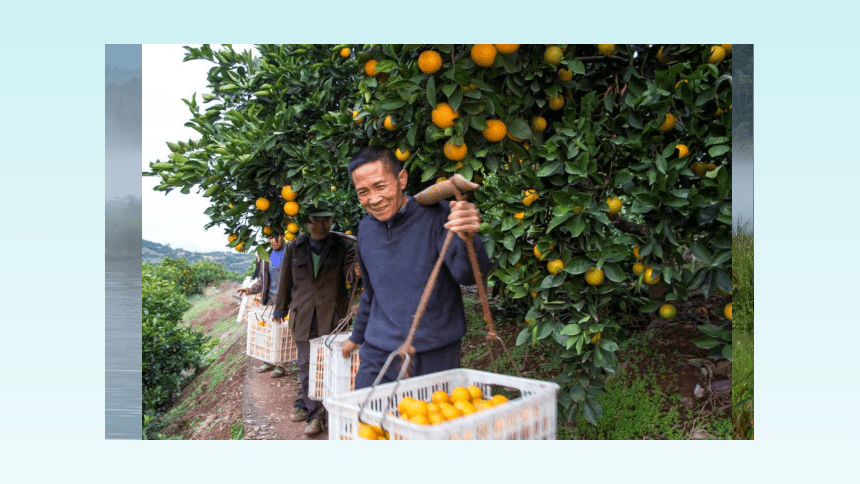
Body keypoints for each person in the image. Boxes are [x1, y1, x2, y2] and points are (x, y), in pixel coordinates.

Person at [340, 146, 491, 390]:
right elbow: (371, 291)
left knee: (427, 423)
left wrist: (468, 238)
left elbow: (470, 276)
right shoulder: (366, 229)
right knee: (365, 422)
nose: (374, 199)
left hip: (434, 352)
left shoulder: (437, 216)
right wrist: (356, 337)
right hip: (379, 353)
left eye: (380, 186)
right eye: (363, 192)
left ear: (402, 179)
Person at [272, 200, 356, 436]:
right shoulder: (295, 247)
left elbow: (349, 275)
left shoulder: (343, 246)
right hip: (304, 316)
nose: (322, 224)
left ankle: (311, 404)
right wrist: (280, 309)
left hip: (333, 316)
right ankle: (316, 416)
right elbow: (285, 281)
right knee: (308, 366)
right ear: (306, 222)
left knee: (330, 365)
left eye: (326, 219)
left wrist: (356, 270)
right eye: (316, 220)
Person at [237, 232, 288, 378]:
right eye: (270, 238)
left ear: (283, 236)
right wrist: (250, 289)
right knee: (267, 330)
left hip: (284, 299)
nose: (273, 240)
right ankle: (268, 361)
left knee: (281, 332)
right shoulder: (265, 255)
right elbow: (261, 279)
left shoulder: (289, 252)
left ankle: (280, 365)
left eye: (276, 237)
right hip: (269, 298)